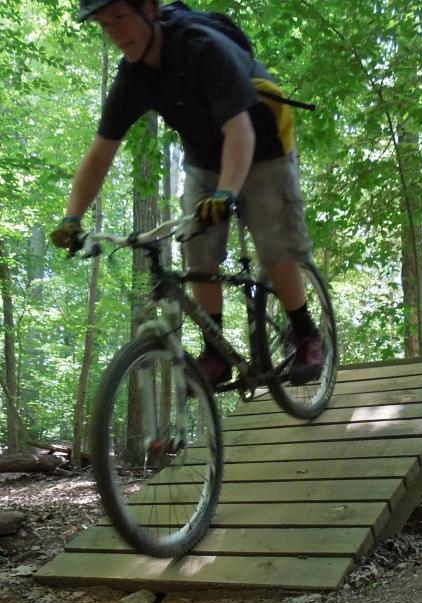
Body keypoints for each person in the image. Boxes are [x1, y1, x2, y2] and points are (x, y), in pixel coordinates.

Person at [51, 0, 324, 387]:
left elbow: (240, 130)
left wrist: (228, 192)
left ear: (148, 8)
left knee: (274, 242)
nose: (113, 30)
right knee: (197, 250)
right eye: (103, 23)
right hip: (206, 158)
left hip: (261, 144)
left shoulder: (200, 47)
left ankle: (306, 332)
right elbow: (100, 154)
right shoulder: (133, 77)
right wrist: (72, 218)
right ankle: (216, 351)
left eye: (119, 17)